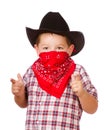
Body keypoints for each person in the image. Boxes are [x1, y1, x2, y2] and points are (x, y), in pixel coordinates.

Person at [10, 12, 98, 130]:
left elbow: (93, 108)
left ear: (70, 49)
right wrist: (19, 94)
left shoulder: (77, 72)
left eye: (59, 48)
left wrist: (82, 93)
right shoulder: (32, 72)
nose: (53, 52)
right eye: (46, 48)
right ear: (37, 49)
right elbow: (23, 103)